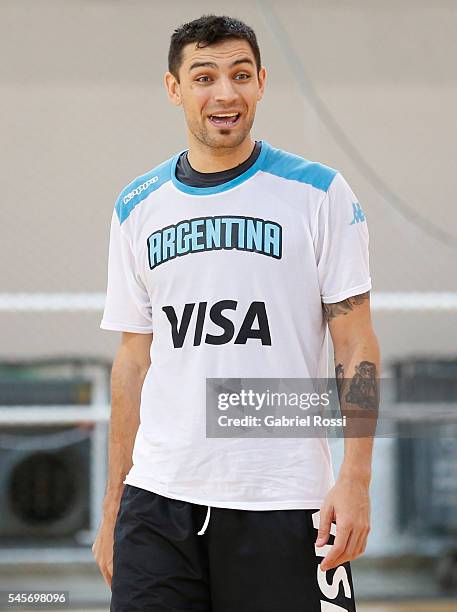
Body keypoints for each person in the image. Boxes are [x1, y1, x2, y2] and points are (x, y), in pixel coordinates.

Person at [93, 14, 380, 612]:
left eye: (240, 75)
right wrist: (114, 507)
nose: (225, 93)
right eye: (204, 77)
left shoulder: (319, 193)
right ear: (174, 88)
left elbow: (356, 346)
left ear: (261, 83)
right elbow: (132, 362)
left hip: (283, 496)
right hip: (158, 501)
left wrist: (354, 479)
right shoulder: (136, 207)